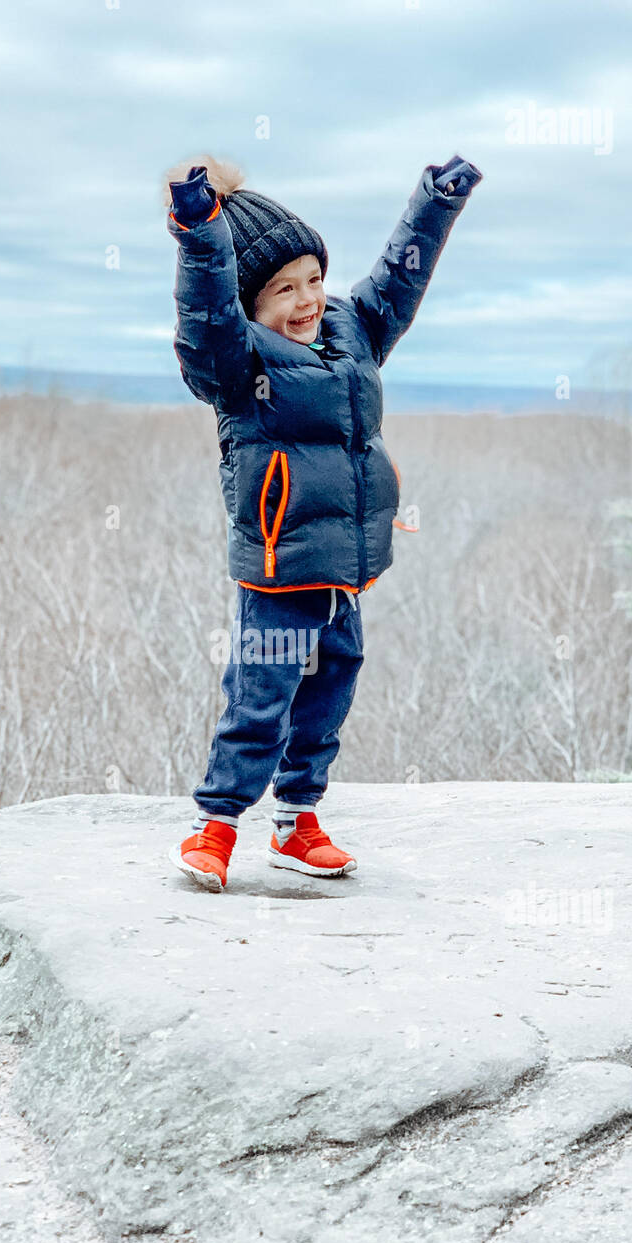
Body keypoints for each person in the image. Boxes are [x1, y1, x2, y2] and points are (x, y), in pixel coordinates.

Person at [163, 152, 482, 890]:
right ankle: (215, 825)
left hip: (345, 566)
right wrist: (200, 231)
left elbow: (398, 281)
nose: (305, 299)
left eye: (312, 278)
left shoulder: (350, 332)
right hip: (281, 569)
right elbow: (205, 308)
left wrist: (434, 202)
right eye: (282, 289)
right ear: (249, 301)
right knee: (260, 698)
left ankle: (297, 820)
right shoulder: (235, 364)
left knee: (329, 689)